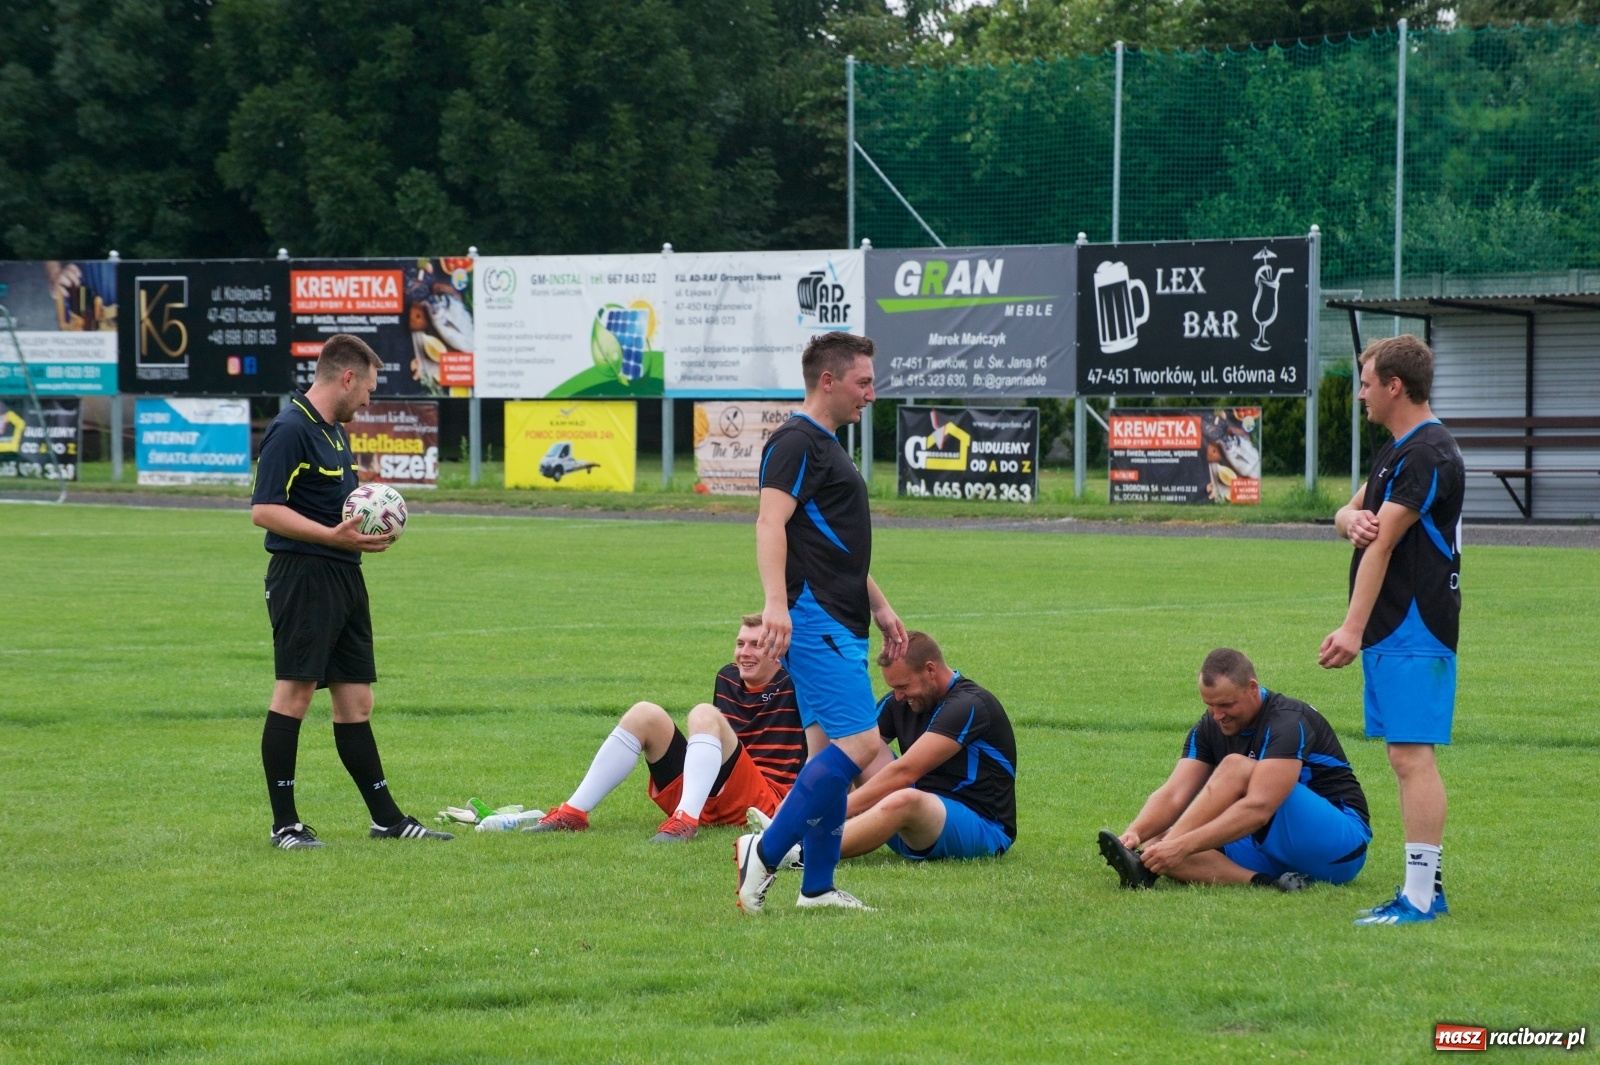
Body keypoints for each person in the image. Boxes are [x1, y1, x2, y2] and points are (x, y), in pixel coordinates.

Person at [251, 334, 452, 849]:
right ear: (346, 378)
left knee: (357, 701)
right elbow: (264, 510)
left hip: (344, 575)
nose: (369, 400)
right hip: (303, 576)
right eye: (368, 389)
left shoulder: (334, 432)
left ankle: (387, 819)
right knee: (294, 695)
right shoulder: (290, 428)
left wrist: (360, 525)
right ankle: (285, 825)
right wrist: (331, 536)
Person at [734, 330, 908, 913]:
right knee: (860, 744)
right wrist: (776, 604)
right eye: (863, 382)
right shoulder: (795, 442)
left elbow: (837, 547)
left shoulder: (826, 444)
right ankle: (766, 850)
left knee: (824, 752)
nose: (871, 395)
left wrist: (880, 606)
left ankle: (818, 888)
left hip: (841, 615)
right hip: (815, 615)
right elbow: (768, 524)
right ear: (827, 381)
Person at [1319, 334, 1463, 925]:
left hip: (1414, 624)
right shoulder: (1399, 449)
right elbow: (1351, 516)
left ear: (1394, 386)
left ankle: (1422, 898)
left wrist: (1351, 630)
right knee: (1403, 756)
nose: (1360, 394)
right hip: (1392, 628)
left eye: (1366, 381)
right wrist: (1347, 516)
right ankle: (1424, 889)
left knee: (1410, 756)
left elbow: (1380, 544)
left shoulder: (1429, 453)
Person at [1097, 648, 1371, 894]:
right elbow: (1174, 794)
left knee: (1234, 768)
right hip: (1272, 848)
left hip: (1340, 847)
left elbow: (1259, 809)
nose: (1218, 715)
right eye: (1209, 705)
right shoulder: (1209, 727)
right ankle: (1270, 883)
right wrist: (1135, 835)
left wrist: (1179, 845)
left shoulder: (1287, 720)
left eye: (1226, 705)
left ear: (1252, 688)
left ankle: (1159, 859)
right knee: (1157, 841)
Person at [528, 615, 804, 840]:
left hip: (763, 805)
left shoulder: (799, 684)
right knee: (644, 713)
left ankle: (685, 821)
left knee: (703, 713)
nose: (744, 652)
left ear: (778, 651)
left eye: (756, 645)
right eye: (740, 643)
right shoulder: (727, 677)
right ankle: (574, 812)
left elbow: (834, 746)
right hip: (708, 797)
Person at [839, 632, 1016, 862]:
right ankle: (791, 829)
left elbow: (905, 772)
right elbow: (850, 751)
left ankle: (804, 850)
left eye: (903, 686)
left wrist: (837, 810)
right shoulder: (899, 701)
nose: (898, 696)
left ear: (930, 670)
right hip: (914, 823)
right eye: (893, 688)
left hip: (983, 828)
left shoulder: (970, 704)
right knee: (860, 749)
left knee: (906, 800)